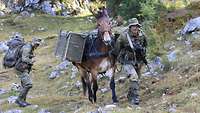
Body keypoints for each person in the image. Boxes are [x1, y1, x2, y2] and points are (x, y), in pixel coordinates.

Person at [114, 18, 148, 105]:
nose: (135, 28)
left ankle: (130, 95)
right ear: (130, 27)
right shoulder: (124, 36)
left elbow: (145, 45)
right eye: (133, 26)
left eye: (136, 26)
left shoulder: (142, 35)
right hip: (127, 61)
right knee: (134, 77)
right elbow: (117, 48)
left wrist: (142, 51)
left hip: (139, 61)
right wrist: (118, 60)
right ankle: (135, 99)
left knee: (136, 80)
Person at [15, 38, 42, 107]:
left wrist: (30, 56)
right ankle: (19, 100)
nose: (37, 46)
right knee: (28, 84)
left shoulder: (30, 47)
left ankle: (23, 102)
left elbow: (24, 56)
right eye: (36, 44)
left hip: (23, 68)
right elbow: (24, 59)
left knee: (24, 85)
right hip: (21, 69)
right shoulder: (27, 48)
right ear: (33, 42)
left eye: (38, 45)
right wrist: (31, 61)